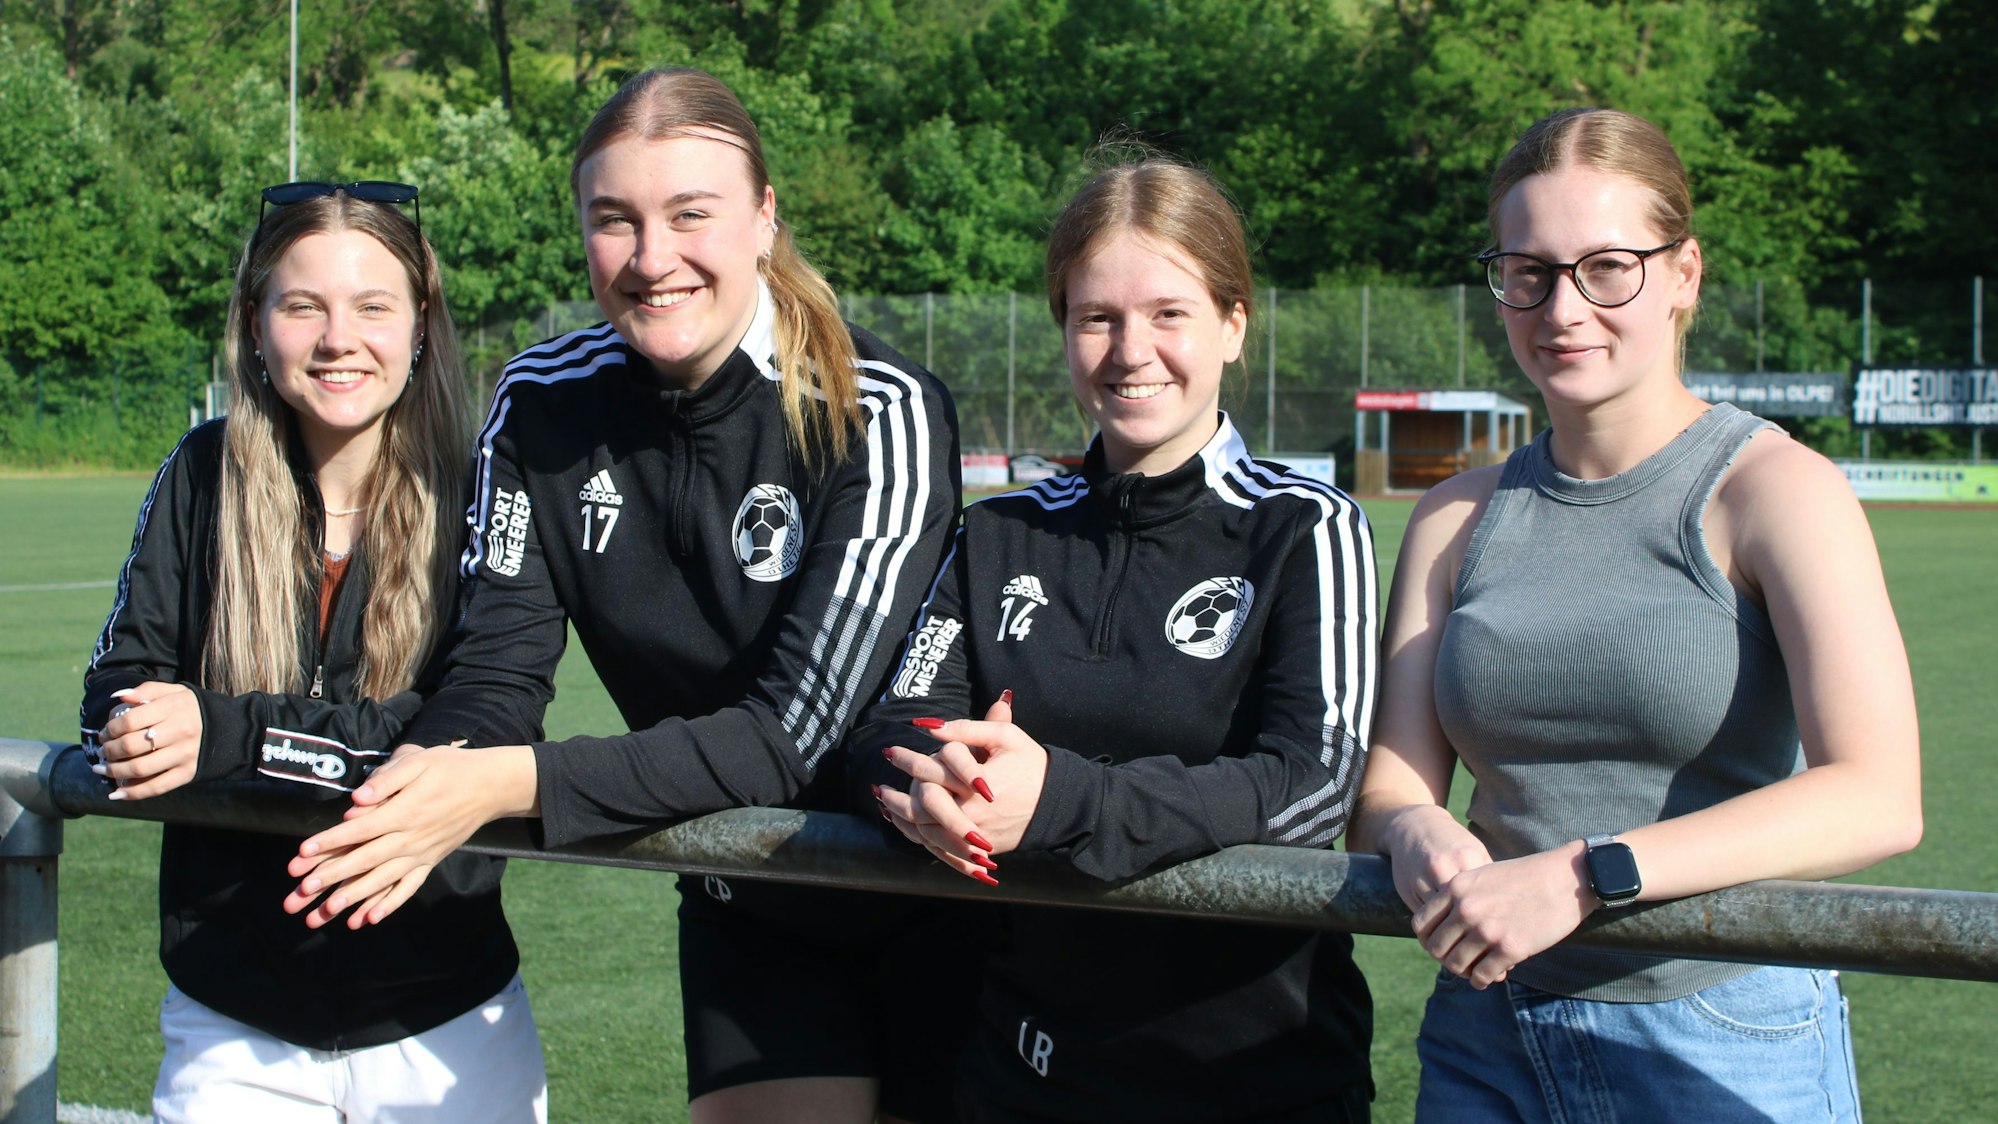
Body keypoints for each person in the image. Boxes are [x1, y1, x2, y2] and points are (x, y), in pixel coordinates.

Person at [279, 69, 962, 1123]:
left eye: (692, 214)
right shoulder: (542, 402)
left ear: (764, 218)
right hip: (753, 899)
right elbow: (496, 670)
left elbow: (790, 737)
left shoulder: (885, 408)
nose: (652, 259)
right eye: (615, 220)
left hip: (942, 906)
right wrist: (426, 776)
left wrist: (508, 783)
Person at [1347, 107, 1922, 1123]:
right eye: (1527, 271)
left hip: (1722, 1034)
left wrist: (1585, 874)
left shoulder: (1777, 489)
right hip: (1490, 1023)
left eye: (1607, 266)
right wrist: (1416, 833)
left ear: (1685, 274)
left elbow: (1878, 795)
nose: (1563, 308)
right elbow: (1393, 780)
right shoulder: (1453, 517)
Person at [856, 154, 1380, 1123]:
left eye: (1169, 312)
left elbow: (1313, 785)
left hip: (1260, 1081)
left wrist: (1063, 797)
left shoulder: (1304, 526)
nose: (1131, 349)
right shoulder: (999, 528)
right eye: (1097, 316)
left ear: (1233, 322)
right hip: (1023, 1072)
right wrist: (944, 781)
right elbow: (891, 725)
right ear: (1063, 329)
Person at [79, 181, 546, 1121]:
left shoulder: (489, 493)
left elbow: (462, 739)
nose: (340, 338)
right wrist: (135, 729)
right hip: (230, 1024)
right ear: (256, 326)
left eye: (374, 306)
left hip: (447, 1019)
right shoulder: (202, 474)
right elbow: (117, 695)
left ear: (421, 325)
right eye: (304, 306)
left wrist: (228, 736)